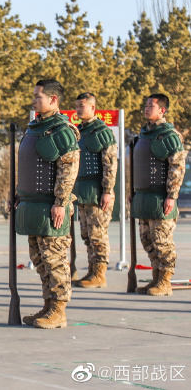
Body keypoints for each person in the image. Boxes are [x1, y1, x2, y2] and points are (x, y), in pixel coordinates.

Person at [16, 80, 80, 329]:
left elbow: (69, 168)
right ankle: (48, 304)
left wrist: (61, 201)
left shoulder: (62, 129)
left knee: (55, 260)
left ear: (53, 100)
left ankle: (59, 310)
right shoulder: (35, 128)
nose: (33, 100)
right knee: (40, 259)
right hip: (33, 205)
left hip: (52, 206)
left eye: (38, 96)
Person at [131, 93, 187, 296]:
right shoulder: (144, 134)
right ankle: (156, 277)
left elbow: (177, 167)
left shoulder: (170, 136)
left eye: (151, 106)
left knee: (162, 240)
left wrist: (171, 195)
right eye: (145, 105)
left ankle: (165, 281)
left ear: (162, 110)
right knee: (147, 239)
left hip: (161, 198)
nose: (146, 109)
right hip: (143, 197)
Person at [72, 93, 118, 288]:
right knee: (87, 235)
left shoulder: (102, 132)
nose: (78, 109)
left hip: (97, 191)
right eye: (77, 106)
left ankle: (100, 274)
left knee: (98, 235)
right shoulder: (78, 131)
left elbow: (110, 164)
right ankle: (91, 271)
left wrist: (107, 190)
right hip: (82, 192)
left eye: (82, 105)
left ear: (93, 108)